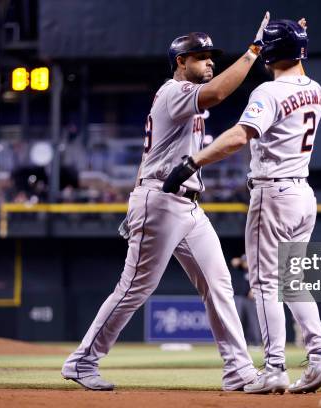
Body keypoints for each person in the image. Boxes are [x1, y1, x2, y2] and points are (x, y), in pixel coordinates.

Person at [61, 12, 273, 392]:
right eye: (202, 56)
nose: (210, 62)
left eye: (212, 56)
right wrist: (253, 52)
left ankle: (239, 371)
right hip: (161, 200)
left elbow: (153, 155)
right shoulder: (174, 92)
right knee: (135, 287)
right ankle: (82, 361)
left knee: (219, 283)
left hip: (186, 205)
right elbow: (220, 93)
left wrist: (136, 197)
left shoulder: (185, 99)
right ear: (181, 61)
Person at [163, 18, 321, 394]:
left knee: (263, 284)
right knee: (292, 283)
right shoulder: (316, 89)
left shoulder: (267, 92)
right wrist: (290, 34)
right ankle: (320, 357)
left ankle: (274, 367)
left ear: (271, 52)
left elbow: (239, 136)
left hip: (273, 194)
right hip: (304, 194)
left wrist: (194, 161)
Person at [230, 254, 261, 347]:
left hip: (250, 299)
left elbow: (259, 281)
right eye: (244, 261)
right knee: (237, 320)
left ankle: (255, 343)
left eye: (247, 261)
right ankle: (239, 343)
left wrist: (254, 289)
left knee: (252, 321)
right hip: (238, 298)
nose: (245, 263)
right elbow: (233, 261)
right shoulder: (238, 269)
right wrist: (241, 260)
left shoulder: (254, 271)